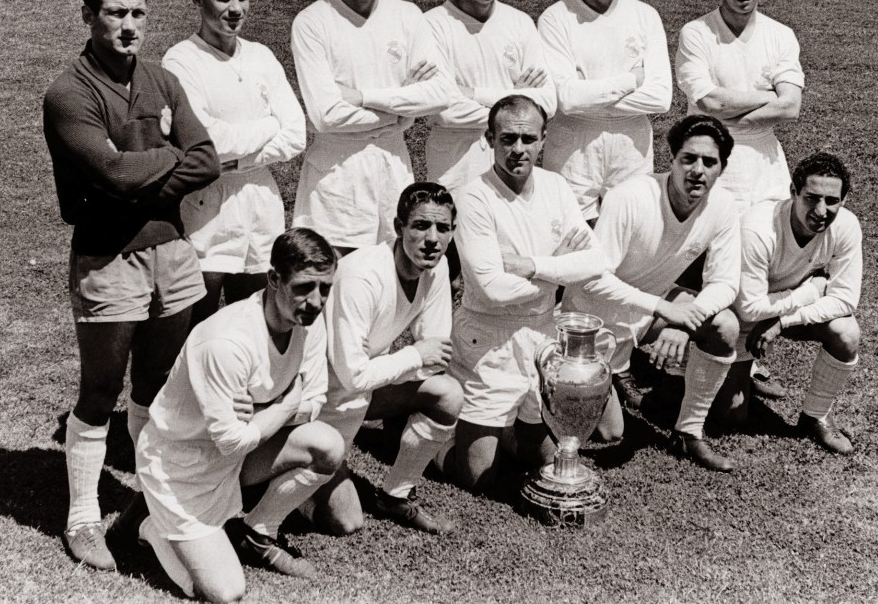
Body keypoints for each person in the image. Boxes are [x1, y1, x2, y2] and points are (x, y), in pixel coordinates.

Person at [43, 0, 220, 570]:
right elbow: (111, 176)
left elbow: (208, 160)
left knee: (157, 385)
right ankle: (83, 518)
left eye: (138, 13)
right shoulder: (69, 91)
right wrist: (162, 166)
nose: (128, 26)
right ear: (89, 15)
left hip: (171, 250)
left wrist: (139, 171)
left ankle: (149, 500)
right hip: (108, 256)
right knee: (99, 391)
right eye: (115, 12)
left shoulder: (162, 79)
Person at [133, 228, 344, 602]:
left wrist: (263, 410)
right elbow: (231, 440)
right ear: (274, 279)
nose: (315, 301)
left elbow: (315, 401)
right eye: (304, 287)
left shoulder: (308, 323)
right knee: (227, 592)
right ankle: (151, 525)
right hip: (181, 467)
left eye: (324, 288)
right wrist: (283, 405)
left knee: (326, 444)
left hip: (237, 454)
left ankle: (257, 531)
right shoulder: (226, 341)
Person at [442, 95, 607, 491]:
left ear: (544, 139)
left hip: (542, 334)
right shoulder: (472, 197)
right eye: (508, 138)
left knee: (545, 460)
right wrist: (562, 268)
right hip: (487, 337)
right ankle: (427, 431)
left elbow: (597, 259)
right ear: (489, 139)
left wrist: (534, 265)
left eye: (528, 139)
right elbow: (493, 289)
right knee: (479, 476)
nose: (518, 149)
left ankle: (509, 428)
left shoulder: (557, 186)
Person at [564, 115, 742, 471]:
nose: (697, 170)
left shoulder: (723, 207)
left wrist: (685, 322)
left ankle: (689, 433)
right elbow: (591, 279)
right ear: (671, 160)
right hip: (593, 321)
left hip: (652, 311)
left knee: (725, 326)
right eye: (688, 159)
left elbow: (725, 283)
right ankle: (598, 377)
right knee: (610, 433)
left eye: (710, 162)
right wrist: (663, 307)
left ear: (721, 168)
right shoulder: (629, 197)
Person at [675, 0, 805, 400]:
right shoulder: (697, 33)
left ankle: (743, 370)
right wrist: (769, 95)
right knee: (716, 261)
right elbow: (706, 102)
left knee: (759, 261)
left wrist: (734, 106)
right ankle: (708, 363)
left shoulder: (780, 35)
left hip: (765, 165)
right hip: (717, 163)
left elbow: (792, 109)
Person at [291, 0, 452, 256]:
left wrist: (363, 96)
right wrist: (404, 113)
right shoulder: (312, 22)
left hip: (394, 169)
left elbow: (441, 92)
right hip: (337, 177)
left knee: (392, 284)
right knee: (338, 290)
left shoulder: (407, 15)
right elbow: (326, 115)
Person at [305, 182, 463, 535]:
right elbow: (352, 377)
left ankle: (395, 497)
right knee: (346, 522)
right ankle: (283, 472)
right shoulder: (363, 275)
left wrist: (413, 359)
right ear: (398, 228)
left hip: (363, 391)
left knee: (447, 393)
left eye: (443, 228)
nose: (432, 239)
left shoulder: (436, 268)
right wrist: (412, 355)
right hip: (317, 403)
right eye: (421, 226)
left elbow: (435, 355)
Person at [163, 0, 307, 329]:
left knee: (257, 330)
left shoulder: (261, 56)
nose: (236, 7)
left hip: (261, 207)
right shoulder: (181, 60)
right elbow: (208, 140)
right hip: (206, 211)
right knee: (198, 334)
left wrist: (240, 159)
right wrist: (267, 125)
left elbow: (295, 134)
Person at [538, 0, 672, 225]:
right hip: (573, 147)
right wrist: (631, 80)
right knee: (569, 238)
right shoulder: (555, 18)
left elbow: (661, 98)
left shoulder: (645, 16)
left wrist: (588, 91)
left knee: (630, 235)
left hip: (631, 146)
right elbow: (565, 99)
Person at [734, 152, 861, 454]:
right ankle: (731, 373)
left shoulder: (845, 226)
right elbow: (748, 308)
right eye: (811, 198)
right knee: (731, 416)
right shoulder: (758, 228)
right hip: (739, 317)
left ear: (844, 200)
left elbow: (844, 299)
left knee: (846, 332)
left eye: (832, 200)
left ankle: (815, 416)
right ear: (793, 192)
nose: (821, 210)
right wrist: (812, 291)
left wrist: (782, 322)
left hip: (778, 315)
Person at [424, 0, 556, 193]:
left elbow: (547, 102)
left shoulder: (520, 23)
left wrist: (470, 93)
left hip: (512, 168)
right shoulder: (431, 25)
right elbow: (443, 110)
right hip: (454, 171)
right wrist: (514, 97)